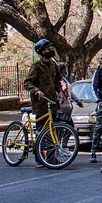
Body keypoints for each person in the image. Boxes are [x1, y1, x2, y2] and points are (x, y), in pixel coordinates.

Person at [23, 39, 61, 168]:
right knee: (41, 131)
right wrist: (37, 91)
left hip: (53, 103)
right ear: (42, 51)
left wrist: (58, 91)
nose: (50, 50)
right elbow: (27, 83)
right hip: (40, 104)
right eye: (47, 49)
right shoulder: (36, 66)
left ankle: (51, 158)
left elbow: (57, 82)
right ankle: (39, 158)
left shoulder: (54, 65)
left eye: (50, 48)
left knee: (52, 131)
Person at [57, 62, 84, 127]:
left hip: (67, 109)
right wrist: (61, 89)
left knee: (69, 127)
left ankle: (64, 137)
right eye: (64, 70)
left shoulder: (64, 80)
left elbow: (70, 93)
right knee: (64, 127)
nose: (65, 72)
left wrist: (78, 101)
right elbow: (56, 92)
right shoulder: (56, 80)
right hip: (61, 109)